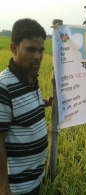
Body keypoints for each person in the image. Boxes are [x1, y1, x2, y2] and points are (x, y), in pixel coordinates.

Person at [0, 18, 53, 195]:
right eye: (31, 49)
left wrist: (43, 104)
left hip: (36, 177)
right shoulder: (4, 87)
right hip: (17, 188)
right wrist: (3, 188)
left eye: (40, 50)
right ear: (14, 48)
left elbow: (18, 113)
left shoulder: (30, 77)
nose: (38, 56)